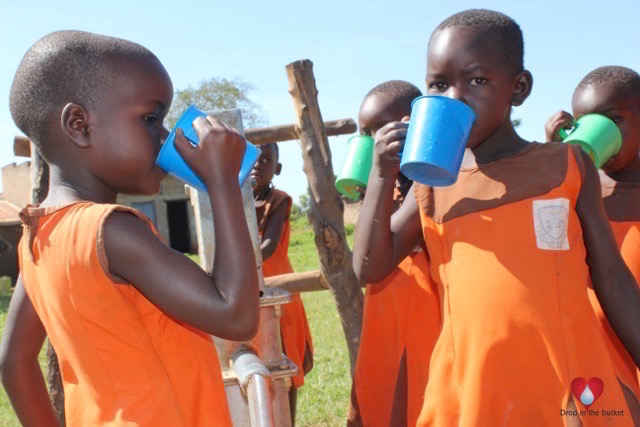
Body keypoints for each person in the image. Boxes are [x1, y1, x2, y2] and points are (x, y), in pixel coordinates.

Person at [353, 9, 640, 426]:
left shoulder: (568, 166)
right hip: (471, 388)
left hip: (565, 384)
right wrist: (381, 175)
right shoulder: (432, 184)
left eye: (477, 80)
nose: (455, 98)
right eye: (438, 84)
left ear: (519, 88)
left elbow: (612, 279)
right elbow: (369, 266)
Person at [0, 31, 260, 426]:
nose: (164, 137)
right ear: (79, 125)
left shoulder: (37, 239)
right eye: (151, 119)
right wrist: (222, 183)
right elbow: (235, 315)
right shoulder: (111, 231)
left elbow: (13, 363)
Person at [347, 81, 441, 427]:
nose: (378, 141)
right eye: (367, 133)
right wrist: (379, 175)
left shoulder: (432, 182)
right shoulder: (383, 186)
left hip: (429, 325)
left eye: (386, 128)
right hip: (384, 323)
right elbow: (365, 258)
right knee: (379, 401)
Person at [545, 65, 640, 406]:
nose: (600, 132)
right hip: (592, 361)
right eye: (585, 122)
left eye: (614, 121)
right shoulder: (581, 193)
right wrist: (554, 157)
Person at [251, 142, 313, 424]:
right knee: (253, 360)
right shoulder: (232, 199)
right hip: (247, 291)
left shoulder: (280, 200)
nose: (257, 164)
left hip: (277, 289)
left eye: (266, 159)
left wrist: (234, 260)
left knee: (284, 362)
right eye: (251, 157)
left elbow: (267, 246)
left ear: (277, 168)